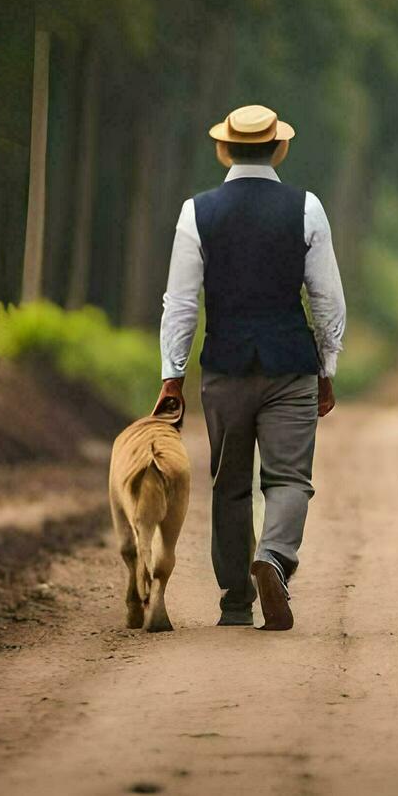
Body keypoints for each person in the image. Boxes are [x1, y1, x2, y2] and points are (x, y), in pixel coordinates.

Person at [155, 104, 345, 632]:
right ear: (278, 148)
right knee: (288, 479)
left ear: (226, 149)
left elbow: (181, 302)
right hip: (290, 364)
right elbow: (327, 299)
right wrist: (326, 366)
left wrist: (172, 374)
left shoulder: (198, 211)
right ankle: (275, 559)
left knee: (230, 482)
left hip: (226, 366)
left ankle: (236, 601)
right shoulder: (306, 208)